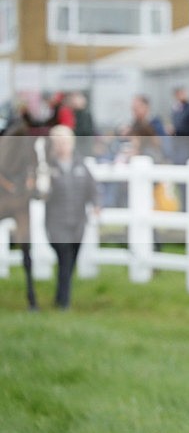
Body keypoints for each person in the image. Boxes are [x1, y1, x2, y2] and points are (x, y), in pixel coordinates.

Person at [44, 125, 99, 310]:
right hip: (57, 223)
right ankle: (64, 303)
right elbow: (42, 193)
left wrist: (97, 204)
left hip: (78, 223)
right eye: (58, 143)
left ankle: (60, 297)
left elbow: (93, 188)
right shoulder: (48, 167)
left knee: (70, 262)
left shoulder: (80, 164)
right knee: (65, 258)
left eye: (65, 142)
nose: (62, 146)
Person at [70, 92, 96, 158]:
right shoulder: (71, 113)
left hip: (83, 146)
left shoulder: (85, 114)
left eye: (76, 99)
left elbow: (86, 131)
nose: (74, 101)